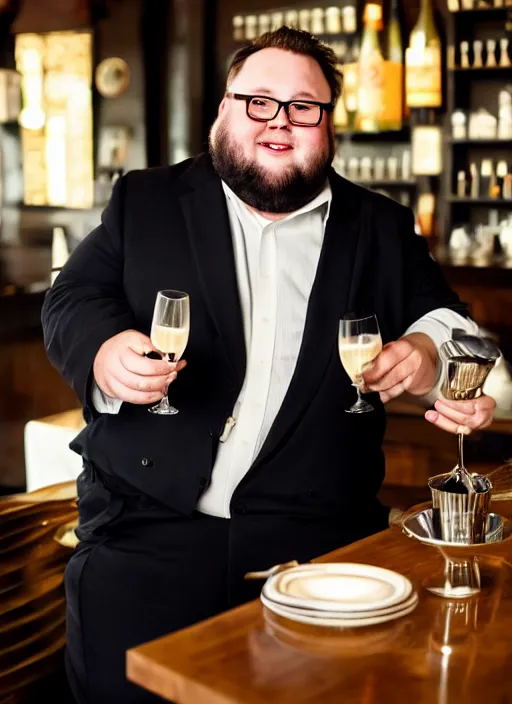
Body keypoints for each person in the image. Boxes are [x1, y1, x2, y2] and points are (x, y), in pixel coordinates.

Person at [42, 27, 496, 704]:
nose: (280, 121)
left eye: (303, 106)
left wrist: (431, 351)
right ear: (223, 111)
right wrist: (105, 352)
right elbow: (72, 298)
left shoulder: (380, 226)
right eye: (259, 101)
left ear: (329, 126)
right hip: (143, 538)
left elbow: (455, 325)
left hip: (320, 550)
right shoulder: (148, 201)